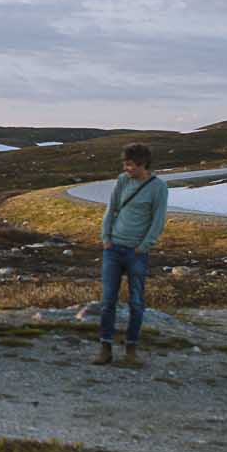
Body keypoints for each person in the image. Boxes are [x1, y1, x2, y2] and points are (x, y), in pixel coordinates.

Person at [96, 143, 168, 367]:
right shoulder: (122, 181)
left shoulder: (158, 187)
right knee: (108, 301)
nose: (126, 168)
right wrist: (106, 238)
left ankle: (131, 349)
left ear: (142, 164)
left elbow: (158, 220)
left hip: (136, 252)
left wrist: (144, 246)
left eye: (130, 165)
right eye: (125, 164)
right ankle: (105, 348)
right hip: (113, 249)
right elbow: (111, 208)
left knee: (136, 303)